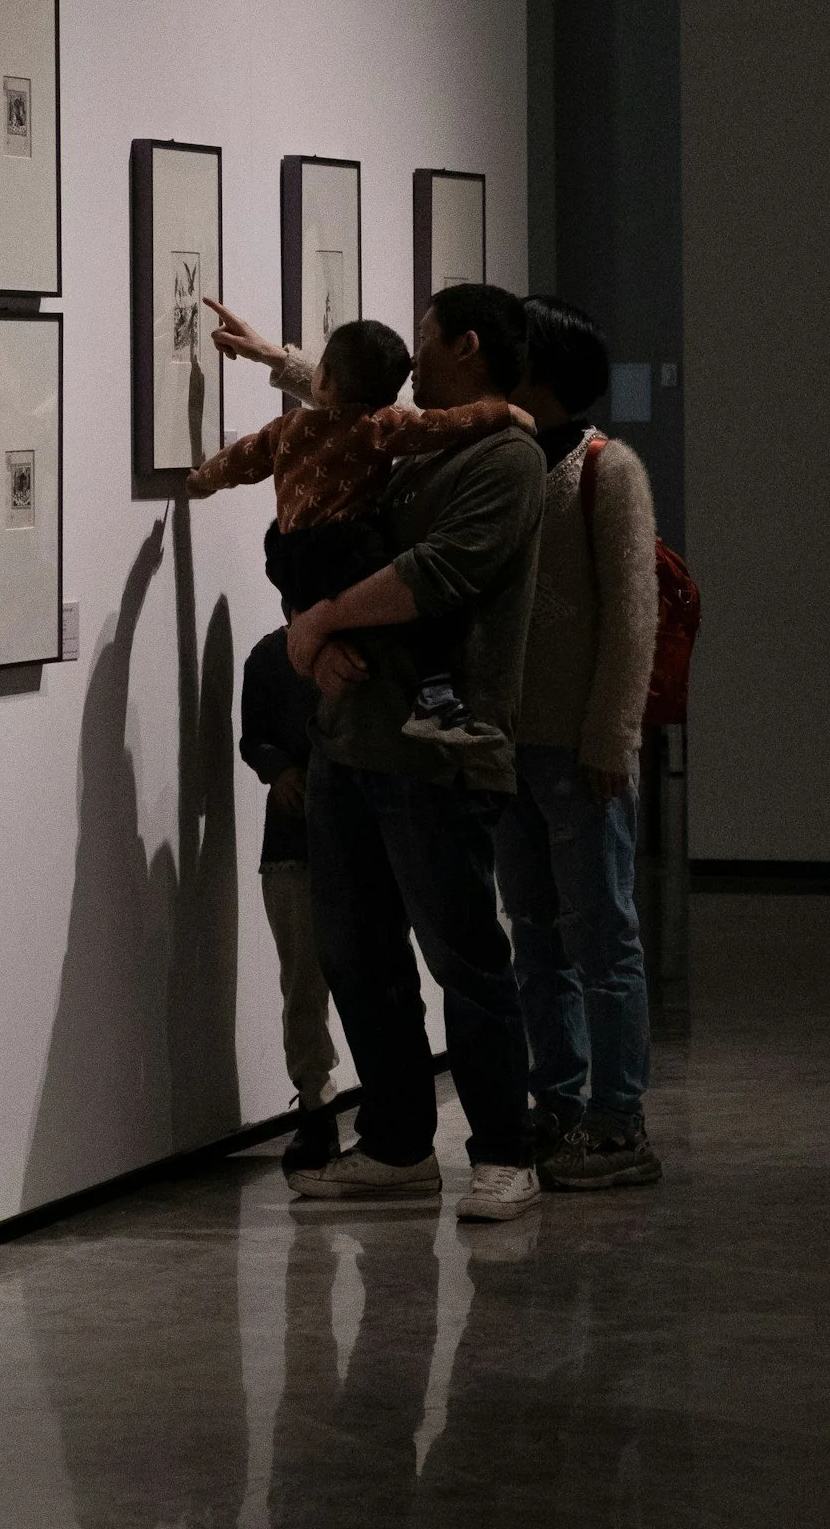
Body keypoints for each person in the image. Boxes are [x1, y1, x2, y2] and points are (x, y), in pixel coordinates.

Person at [210, 287, 547, 1224]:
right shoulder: (402, 436)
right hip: (349, 744)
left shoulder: (502, 457)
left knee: (465, 962)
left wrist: (315, 623)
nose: (412, 355)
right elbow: (338, 419)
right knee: (359, 959)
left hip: (438, 753)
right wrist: (278, 358)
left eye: (427, 338)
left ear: (466, 349)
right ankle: (398, 1145)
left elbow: (439, 572)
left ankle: (502, 1153)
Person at [498, 294, 662, 1188]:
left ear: (542, 369)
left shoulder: (610, 469)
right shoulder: (510, 455)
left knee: (601, 939)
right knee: (534, 936)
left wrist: (610, 737)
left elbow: (631, 618)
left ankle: (618, 1123)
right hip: (513, 744)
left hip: (579, 748)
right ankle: (556, 1100)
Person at [187, 316, 522, 731]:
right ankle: (433, 689)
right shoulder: (378, 427)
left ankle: (329, 647)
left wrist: (201, 479)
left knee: (325, 613)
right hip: (346, 545)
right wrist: (503, 414)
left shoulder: (286, 429)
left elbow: (238, 460)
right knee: (407, 613)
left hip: (288, 552)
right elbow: (444, 425)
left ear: (322, 376)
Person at [239, 622, 340, 1175]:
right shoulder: (270, 656)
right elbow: (253, 736)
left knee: (371, 975)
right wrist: (278, 772)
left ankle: (384, 1105)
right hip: (293, 839)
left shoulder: (358, 649)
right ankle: (316, 1104)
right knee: (302, 981)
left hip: (353, 837)